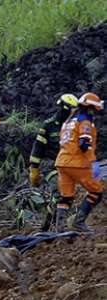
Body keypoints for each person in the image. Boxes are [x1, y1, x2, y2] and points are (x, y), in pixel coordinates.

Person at [54, 92, 104, 232]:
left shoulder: (68, 122)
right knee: (97, 192)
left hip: (62, 162)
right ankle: (79, 223)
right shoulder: (85, 121)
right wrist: (93, 162)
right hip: (77, 163)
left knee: (66, 197)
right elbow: (84, 144)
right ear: (90, 108)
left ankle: (60, 230)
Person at [28, 94, 79, 230]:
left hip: (68, 165)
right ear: (63, 108)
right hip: (50, 165)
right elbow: (38, 147)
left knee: (67, 197)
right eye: (72, 109)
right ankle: (60, 228)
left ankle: (46, 226)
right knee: (59, 193)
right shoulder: (49, 125)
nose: (74, 113)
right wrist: (34, 169)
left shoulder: (74, 126)